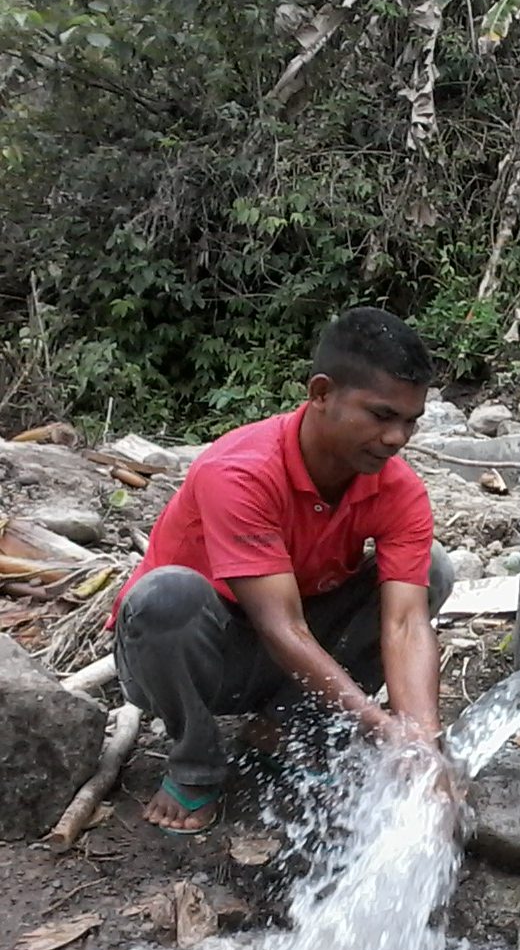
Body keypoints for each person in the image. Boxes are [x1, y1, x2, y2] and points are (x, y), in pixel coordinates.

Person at [110, 307, 455, 835]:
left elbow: (405, 624)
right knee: (167, 596)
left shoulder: (398, 488)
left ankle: (282, 730)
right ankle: (195, 763)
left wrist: (423, 741)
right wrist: (373, 723)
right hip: (197, 653)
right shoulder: (241, 470)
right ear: (320, 393)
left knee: (433, 569)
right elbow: (281, 626)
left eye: (410, 420)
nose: (397, 438)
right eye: (382, 415)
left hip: (288, 653)